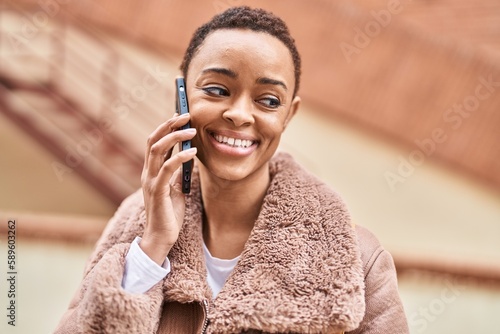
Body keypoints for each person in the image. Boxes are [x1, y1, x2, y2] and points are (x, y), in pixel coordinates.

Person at [55, 6, 409, 334]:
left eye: (268, 100)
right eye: (217, 90)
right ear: (182, 96)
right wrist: (150, 250)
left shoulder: (355, 260)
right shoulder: (131, 231)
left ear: (289, 114)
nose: (240, 114)